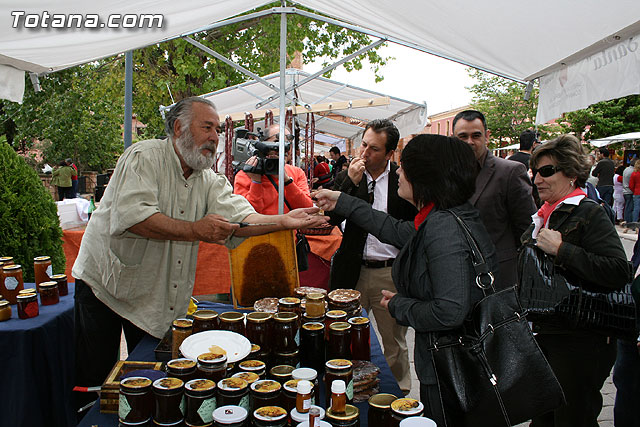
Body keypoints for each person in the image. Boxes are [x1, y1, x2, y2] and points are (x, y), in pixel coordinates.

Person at [71, 97, 326, 413]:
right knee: (97, 385)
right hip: (104, 287)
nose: (215, 137)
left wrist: (284, 221)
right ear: (178, 128)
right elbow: (135, 218)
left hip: (149, 296)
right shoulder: (144, 157)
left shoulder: (208, 179)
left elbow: (239, 219)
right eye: (207, 127)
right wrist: (195, 230)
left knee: (148, 379)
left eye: (217, 130)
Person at [314, 134, 498, 425]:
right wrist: (344, 200)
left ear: (425, 177)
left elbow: (449, 310)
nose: (398, 171)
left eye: (405, 167)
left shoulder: (444, 227)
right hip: (453, 364)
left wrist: (401, 305)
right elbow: (393, 229)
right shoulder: (441, 217)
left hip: (453, 369)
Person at [521, 134, 632, 427]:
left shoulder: (589, 213)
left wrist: (562, 249)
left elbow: (619, 270)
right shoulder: (545, 215)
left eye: (547, 171)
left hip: (581, 340)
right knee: (544, 416)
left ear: (570, 174)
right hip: (548, 335)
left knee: (573, 417)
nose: (537, 180)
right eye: (535, 172)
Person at [328, 119, 417, 394]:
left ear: (390, 154)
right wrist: (350, 183)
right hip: (352, 269)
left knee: (393, 340)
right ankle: (344, 389)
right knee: (341, 334)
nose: (365, 153)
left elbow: (413, 228)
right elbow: (330, 217)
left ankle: (397, 395)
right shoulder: (349, 176)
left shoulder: (403, 180)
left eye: (374, 149)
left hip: (389, 272)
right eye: (363, 145)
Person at [452, 110, 536, 290]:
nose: (469, 142)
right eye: (462, 137)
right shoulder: (447, 174)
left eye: (476, 135)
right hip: (458, 279)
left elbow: (526, 230)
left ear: (487, 136)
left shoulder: (510, 172)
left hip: (499, 277)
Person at [233, 124, 312, 214]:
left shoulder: (297, 172)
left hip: (289, 228)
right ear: (262, 145)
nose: (284, 149)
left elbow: (306, 208)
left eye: (288, 144)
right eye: (277, 142)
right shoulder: (246, 174)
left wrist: (287, 181)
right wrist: (256, 181)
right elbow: (246, 214)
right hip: (263, 227)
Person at [622, 159, 636, 224]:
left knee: (627, 207)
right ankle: (629, 222)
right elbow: (632, 183)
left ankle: (626, 220)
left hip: (625, 190)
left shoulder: (626, 169)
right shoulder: (633, 171)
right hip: (630, 191)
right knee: (630, 208)